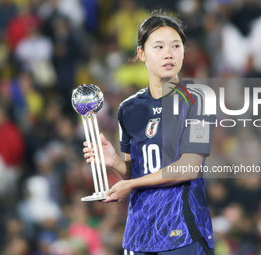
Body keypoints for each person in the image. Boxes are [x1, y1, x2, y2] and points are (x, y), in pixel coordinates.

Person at [83, 11, 215, 255]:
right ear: (141, 53)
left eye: (176, 46)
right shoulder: (129, 109)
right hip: (139, 236)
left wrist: (131, 183)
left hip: (183, 233)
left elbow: (188, 167)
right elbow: (139, 171)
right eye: (159, 46)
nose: (169, 53)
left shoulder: (198, 98)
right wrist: (115, 163)